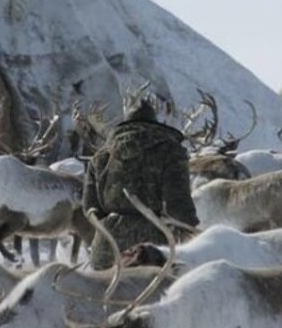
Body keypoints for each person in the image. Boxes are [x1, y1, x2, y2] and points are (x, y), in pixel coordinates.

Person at [83, 97, 198, 269]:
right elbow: (178, 205)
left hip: (109, 242)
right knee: (158, 294)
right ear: (154, 123)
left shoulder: (100, 157)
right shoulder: (171, 152)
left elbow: (90, 207)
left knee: (101, 291)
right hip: (153, 245)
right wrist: (192, 231)